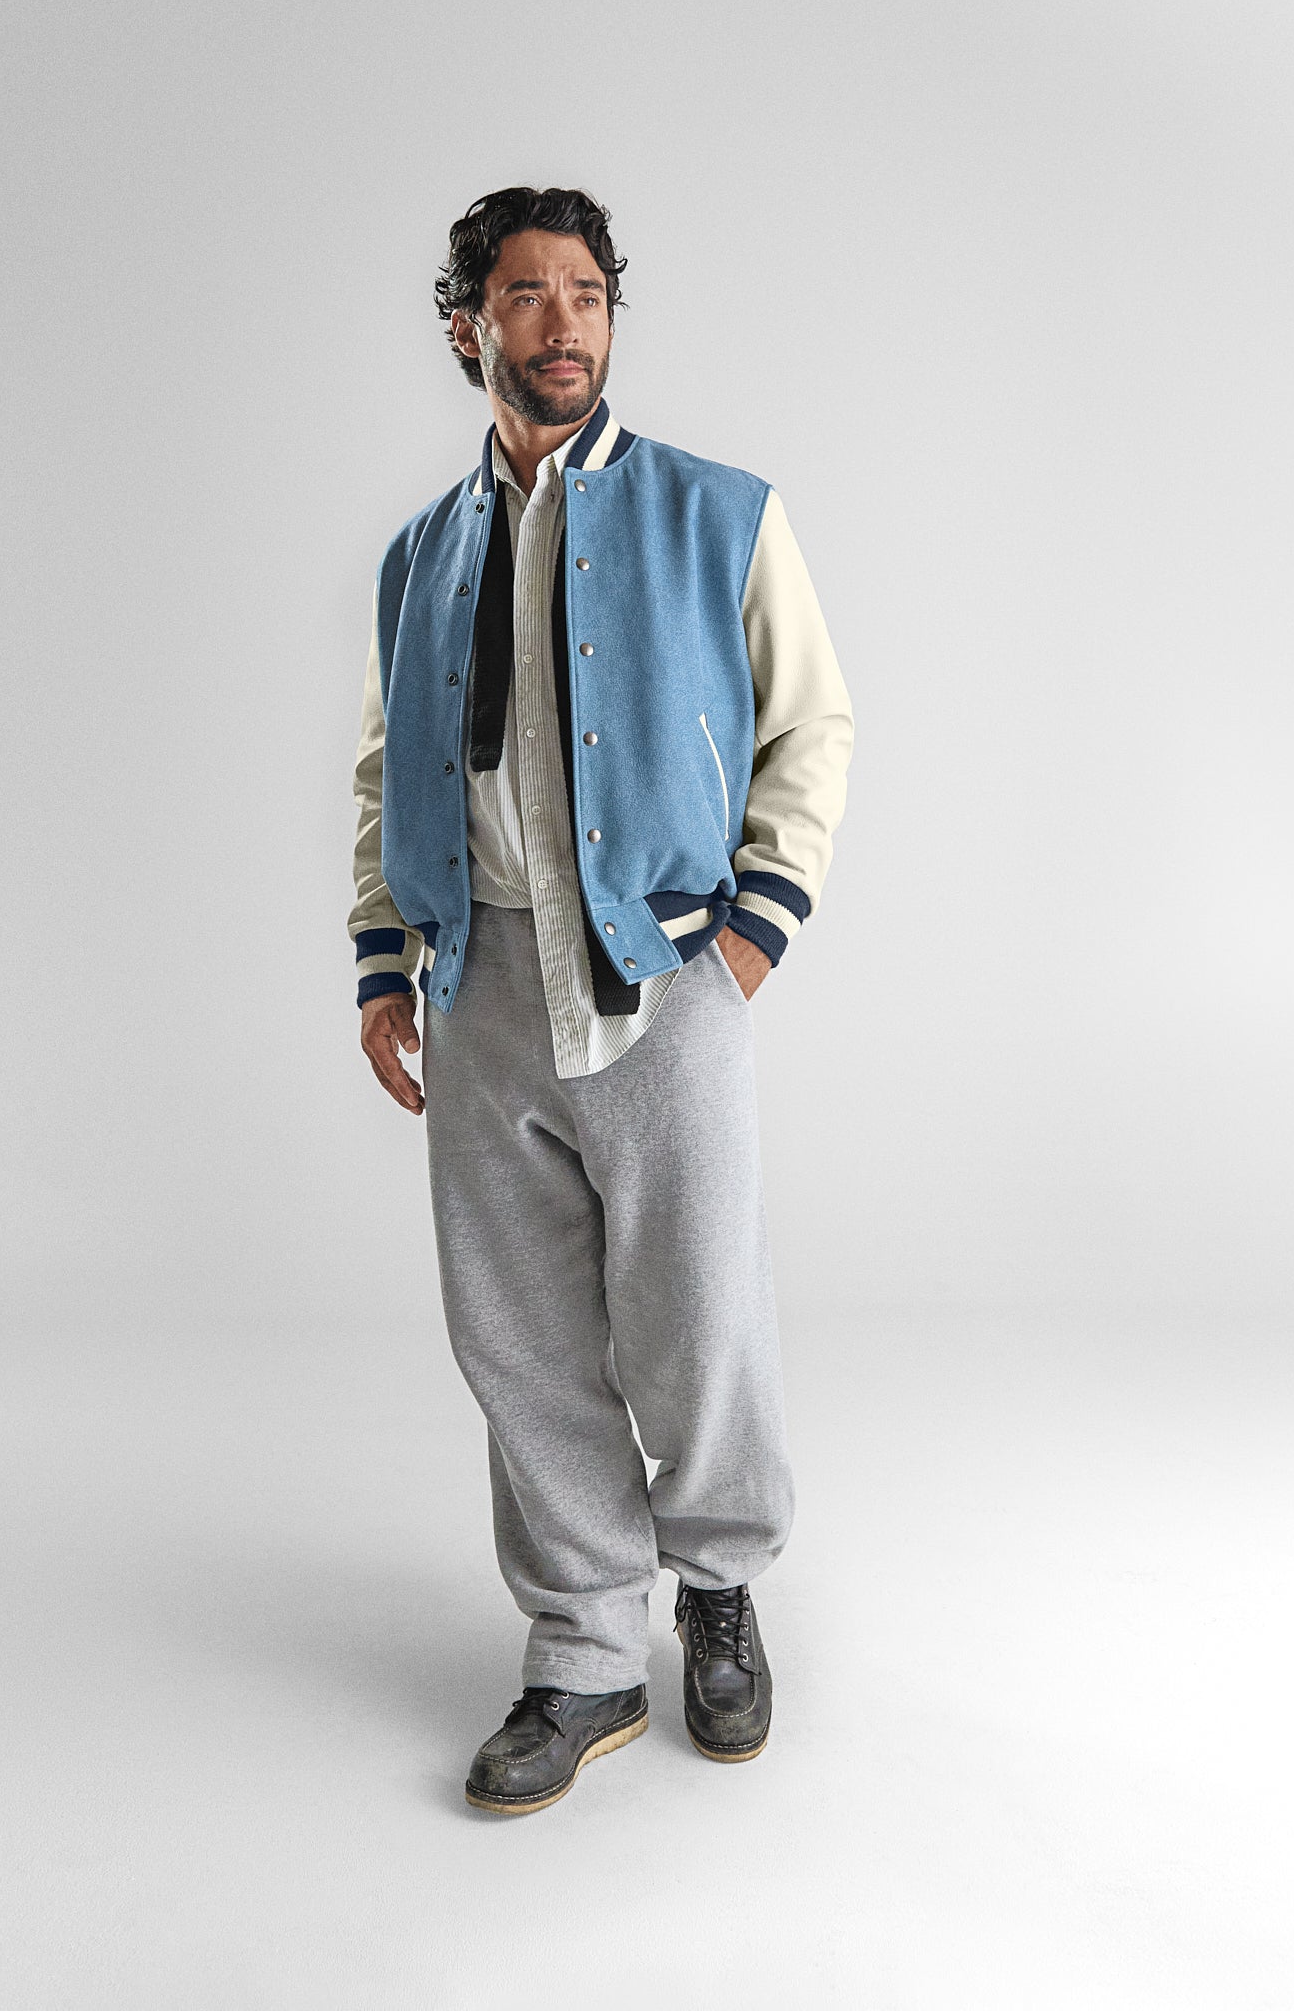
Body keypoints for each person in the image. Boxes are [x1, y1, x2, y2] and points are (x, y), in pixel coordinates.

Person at [348, 186, 853, 1814]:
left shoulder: (720, 512)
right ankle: (580, 1650)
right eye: (525, 294)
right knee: (518, 1336)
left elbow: (813, 725)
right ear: (468, 326)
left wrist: (752, 934)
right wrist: (384, 960)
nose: (563, 321)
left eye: (587, 292)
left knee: (697, 1312)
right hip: (480, 977)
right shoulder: (419, 555)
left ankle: (719, 1588)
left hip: (663, 971)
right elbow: (387, 768)